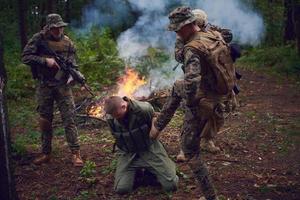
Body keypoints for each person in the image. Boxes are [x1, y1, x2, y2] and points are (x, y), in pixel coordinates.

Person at [150, 6, 236, 200]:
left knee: (189, 150)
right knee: (176, 86)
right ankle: (158, 126)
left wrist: (190, 104)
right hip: (219, 95)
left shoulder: (192, 48)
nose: (176, 32)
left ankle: (210, 196)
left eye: (178, 28)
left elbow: (191, 81)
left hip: (205, 100)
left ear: (189, 25)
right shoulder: (213, 35)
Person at [21, 13, 83, 167]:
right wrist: (44, 61)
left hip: (63, 86)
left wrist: (73, 75)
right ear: (49, 27)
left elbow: (72, 63)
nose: (58, 31)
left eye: (60, 27)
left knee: (70, 119)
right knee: (45, 121)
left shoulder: (68, 42)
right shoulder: (38, 39)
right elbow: (25, 57)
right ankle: (46, 153)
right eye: (55, 28)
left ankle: (75, 153)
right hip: (45, 86)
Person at [104, 96, 178, 194]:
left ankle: (162, 166)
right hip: (129, 154)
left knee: (171, 185)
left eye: (117, 115)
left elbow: (156, 123)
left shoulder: (143, 110)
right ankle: (136, 173)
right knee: (122, 189)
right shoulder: (111, 116)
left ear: (123, 106)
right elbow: (117, 137)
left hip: (149, 150)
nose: (115, 118)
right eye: (113, 116)